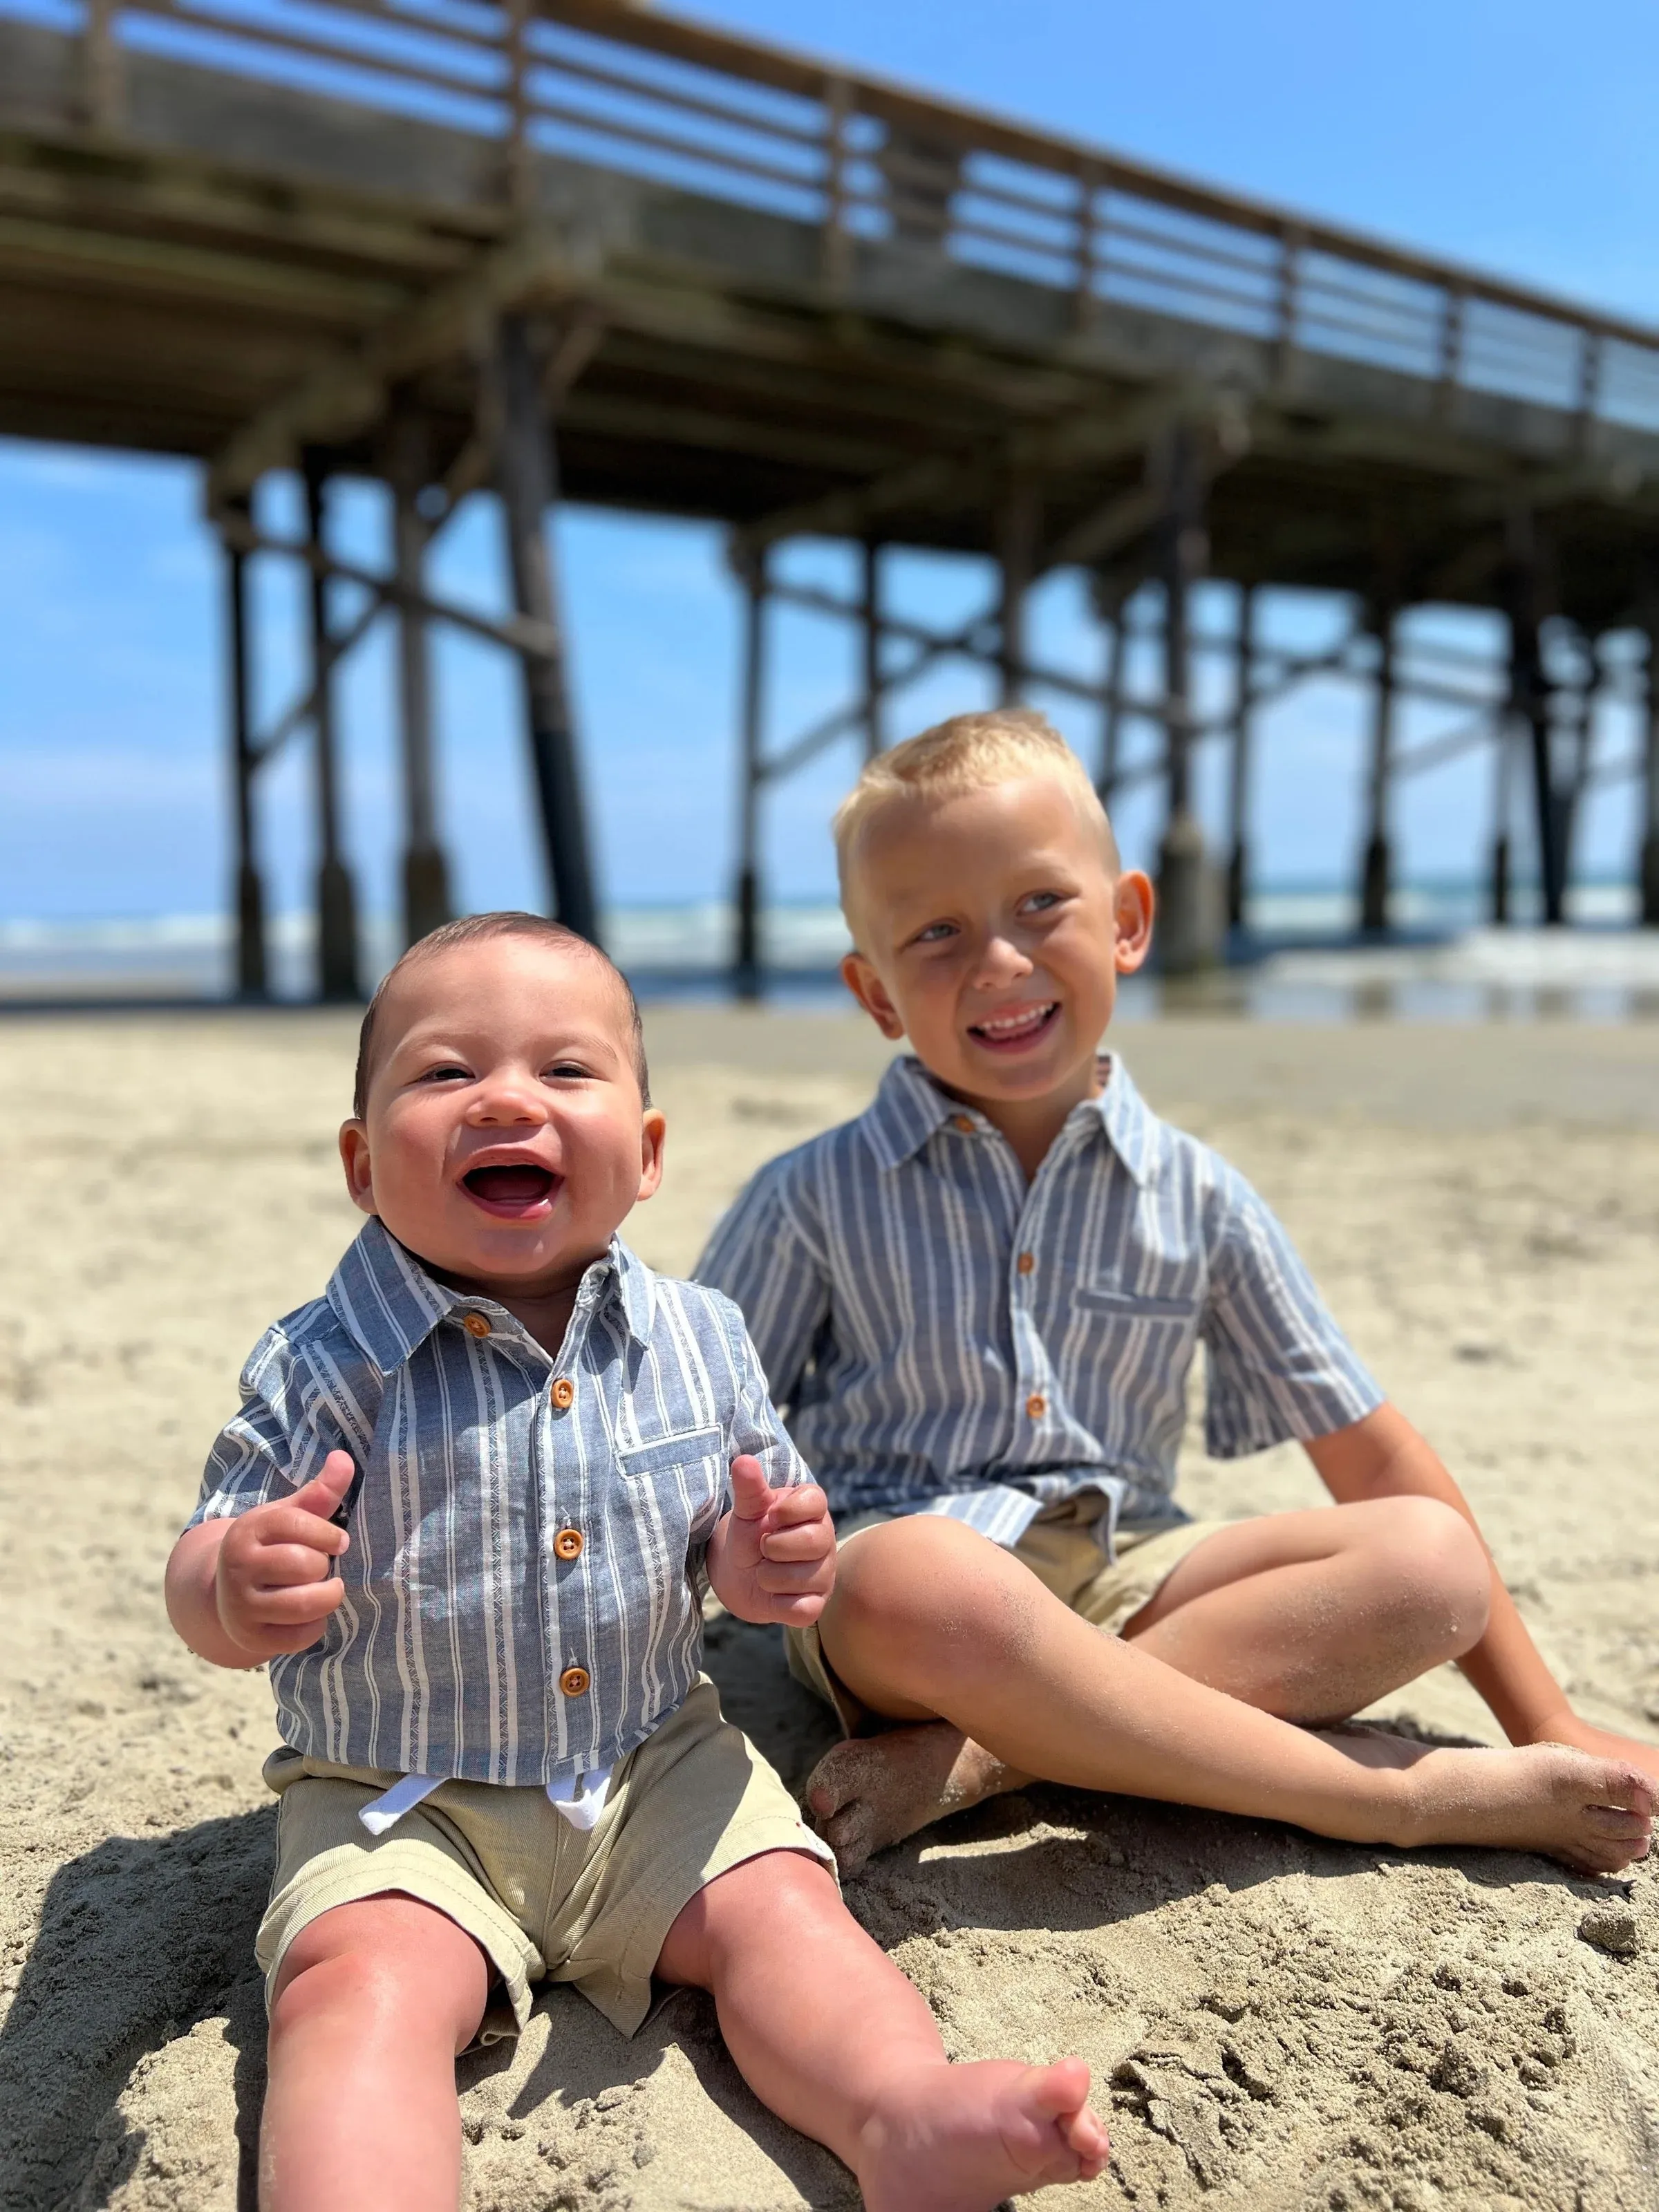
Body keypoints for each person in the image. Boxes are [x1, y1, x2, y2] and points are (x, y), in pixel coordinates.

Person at [163, 913, 1110, 2212]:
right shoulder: (323, 1362)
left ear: (649, 1152)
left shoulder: (702, 1339)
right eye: (446, 1074)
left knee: (790, 1920)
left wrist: (765, 1564)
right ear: (363, 1164)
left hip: (656, 1767)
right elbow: (202, 1561)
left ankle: (902, 2112)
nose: (507, 1099)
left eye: (565, 1072)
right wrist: (230, 1583)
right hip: (402, 1798)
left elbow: (751, 1539)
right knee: (354, 1990)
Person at [696, 709, 1657, 1879]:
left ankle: (985, 1763)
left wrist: (1544, 1719)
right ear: (877, 992)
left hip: (1137, 1573)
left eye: (1041, 904)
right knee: (919, 1578)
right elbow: (689, 1436)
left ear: (1131, 922)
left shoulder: (1200, 1195)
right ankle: (1391, 1802)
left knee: (1432, 1560)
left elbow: (1372, 1454)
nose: (1000, 960)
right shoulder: (812, 1194)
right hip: (919, 1594)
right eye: (937, 932)